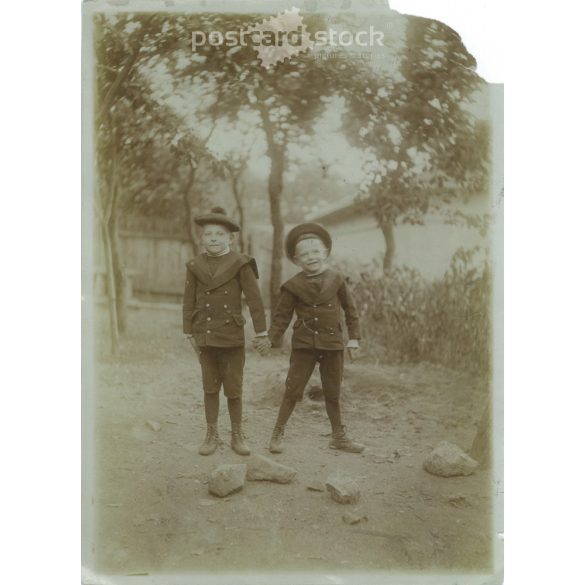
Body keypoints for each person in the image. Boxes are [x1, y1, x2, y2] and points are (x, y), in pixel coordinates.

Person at [254, 222, 364, 454]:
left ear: (325, 252)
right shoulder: (293, 286)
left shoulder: (338, 280)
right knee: (292, 389)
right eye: (304, 254)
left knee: (332, 392)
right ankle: (277, 433)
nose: (311, 257)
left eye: (315, 251)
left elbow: (351, 311)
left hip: (333, 345)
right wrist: (270, 339)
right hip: (304, 345)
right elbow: (281, 318)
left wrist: (354, 339)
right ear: (296, 259)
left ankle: (339, 437)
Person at [183, 207, 268, 456]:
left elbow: (255, 300)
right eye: (208, 234)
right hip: (205, 335)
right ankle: (211, 434)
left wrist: (261, 332)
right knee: (209, 387)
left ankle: (237, 434)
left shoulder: (241, 263)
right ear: (201, 238)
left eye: (219, 234)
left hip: (231, 336)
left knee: (233, 388)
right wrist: (188, 330)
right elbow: (188, 300)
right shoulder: (195, 265)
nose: (213, 238)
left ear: (230, 238)